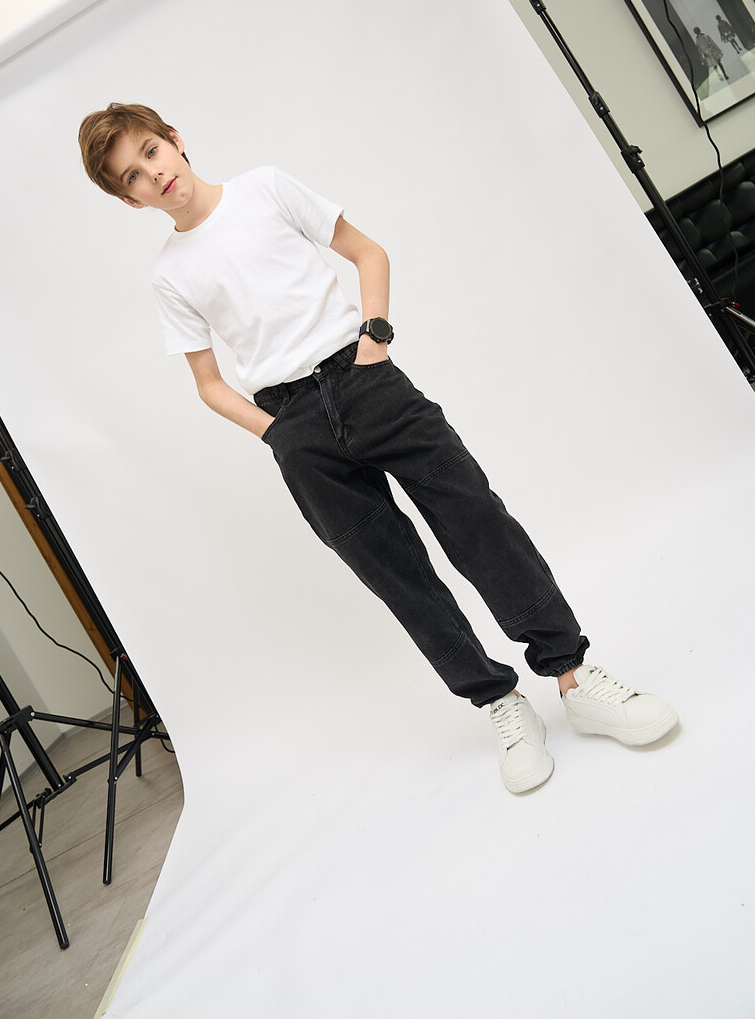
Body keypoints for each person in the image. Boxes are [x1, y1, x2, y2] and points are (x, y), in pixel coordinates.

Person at [78, 102, 678, 794]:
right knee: (395, 574)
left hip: (365, 379)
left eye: (152, 152)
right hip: (294, 423)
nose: (153, 173)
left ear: (176, 141)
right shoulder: (170, 273)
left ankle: (574, 677)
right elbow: (208, 383)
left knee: (476, 518)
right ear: (130, 200)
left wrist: (375, 341)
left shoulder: (264, 188)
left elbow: (367, 252)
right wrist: (277, 434)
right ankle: (500, 702)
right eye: (134, 176)